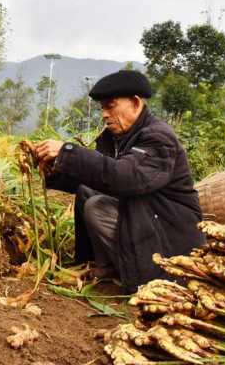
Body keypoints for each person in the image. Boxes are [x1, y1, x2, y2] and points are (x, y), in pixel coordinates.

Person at [35, 70, 205, 293]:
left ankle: (140, 273)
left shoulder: (158, 137)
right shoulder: (115, 137)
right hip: (145, 216)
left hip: (167, 233)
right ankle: (104, 266)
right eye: (102, 108)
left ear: (135, 103)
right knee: (88, 192)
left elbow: (125, 178)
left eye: (110, 106)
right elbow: (97, 177)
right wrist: (53, 168)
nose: (104, 114)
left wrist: (67, 152)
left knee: (96, 207)